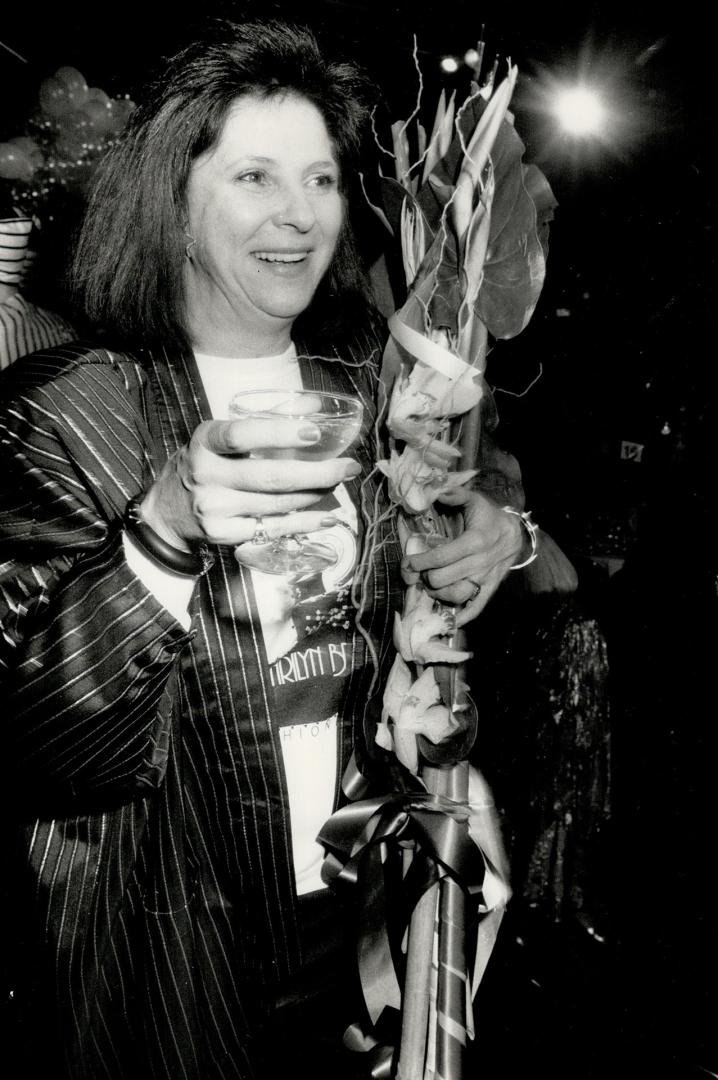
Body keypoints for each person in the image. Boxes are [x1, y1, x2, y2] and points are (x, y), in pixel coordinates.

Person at [0, 19, 529, 1080]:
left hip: (358, 920)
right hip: (165, 949)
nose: (299, 214)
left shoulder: (363, 396)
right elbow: (42, 748)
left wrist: (501, 534)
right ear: (176, 209)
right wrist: (165, 530)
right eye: (254, 176)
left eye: (323, 178)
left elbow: (428, 586)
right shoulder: (62, 413)